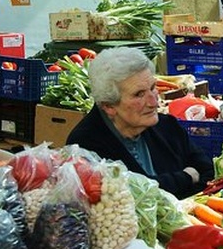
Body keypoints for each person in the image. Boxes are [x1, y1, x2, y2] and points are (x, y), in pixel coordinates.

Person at [67, 47, 213, 199]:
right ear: (109, 106)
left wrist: (169, 184)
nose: (153, 101)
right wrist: (186, 177)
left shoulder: (167, 126)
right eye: (139, 94)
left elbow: (207, 172)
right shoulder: (84, 146)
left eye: (152, 88)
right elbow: (130, 197)